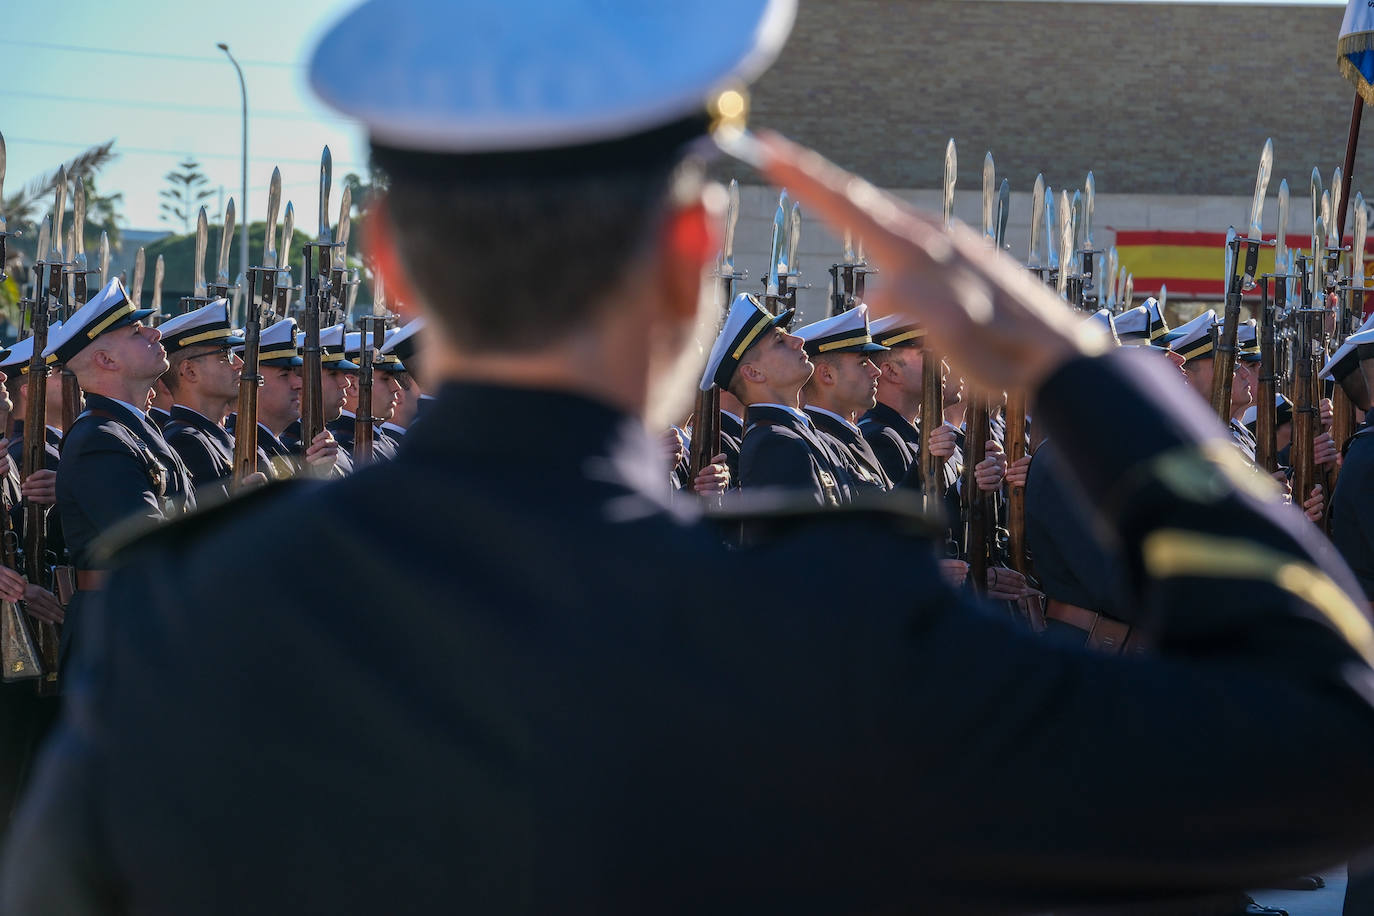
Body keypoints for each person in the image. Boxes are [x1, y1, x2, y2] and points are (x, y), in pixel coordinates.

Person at [11, 3, 1374, 915]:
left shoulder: (188, 617)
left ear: (390, 266)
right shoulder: (830, 628)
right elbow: (1331, 745)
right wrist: (1081, 372)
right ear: (692, 258)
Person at [46, 278, 194, 670]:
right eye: (136, 331)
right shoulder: (100, 439)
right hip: (122, 637)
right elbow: (150, 540)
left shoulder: (133, 429)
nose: (155, 333)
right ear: (106, 361)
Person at [701, 292, 852, 505]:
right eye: (779, 341)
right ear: (753, 373)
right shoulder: (774, 444)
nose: (798, 340)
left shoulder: (811, 434)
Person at [156, 301, 249, 503]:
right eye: (226, 355)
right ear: (190, 371)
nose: (239, 364)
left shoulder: (215, 435)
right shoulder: (185, 441)